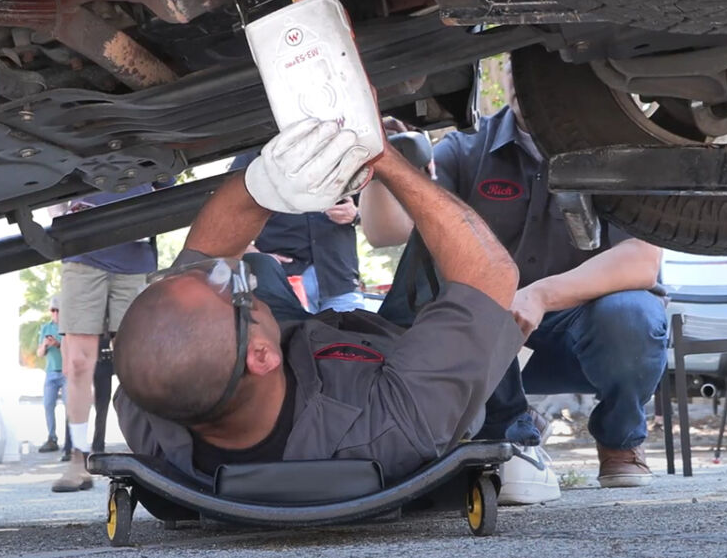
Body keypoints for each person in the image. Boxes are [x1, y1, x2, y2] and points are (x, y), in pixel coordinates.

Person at [111, 118, 523, 484]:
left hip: (295, 356)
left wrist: (269, 177)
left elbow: (206, 254)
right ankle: (518, 428)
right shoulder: (394, 422)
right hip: (397, 359)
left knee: (259, 265)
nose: (230, 274)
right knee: (455, 251)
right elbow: (490, 275)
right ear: (261, 355)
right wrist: (382, 155)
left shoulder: (150, 394)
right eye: (233, 291)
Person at [360, 72, 667, 497]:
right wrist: (382, 164)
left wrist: (539, 295)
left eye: (549, 63)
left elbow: (642, 261)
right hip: (487, 342)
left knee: (634, 314)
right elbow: (387, 233)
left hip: (583, 337)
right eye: (519, 63)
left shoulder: (620, 149)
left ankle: (620, 441)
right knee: (446, 277)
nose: (529, 76)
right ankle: (511, 434)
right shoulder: (468, 148)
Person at [52, 186, 162, 492]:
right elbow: (51, 186)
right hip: (83, 253)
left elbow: (167, 184)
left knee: (135, 362)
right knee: (76, 363)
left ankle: (154, 452)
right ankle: (78, 457)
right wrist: (61, 215)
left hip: (134, 257)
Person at [231, 154, 365, 314]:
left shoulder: (344, 148)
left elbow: (376, 214)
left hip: (340, 279)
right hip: (283, 283)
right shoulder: (253, 155)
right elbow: (227, 216)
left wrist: (356, 214)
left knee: (350, 337)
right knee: (290, 338)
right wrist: (258, 257)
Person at [36, 296, 70, 455]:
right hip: (50, 373)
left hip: (66, 373)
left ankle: (70, 441)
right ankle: (52, 437)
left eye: (58, 310)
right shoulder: (45, 328)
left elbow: (71, 349)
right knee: (48, 405)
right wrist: (45, 345)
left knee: (69, 407)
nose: (55, 313)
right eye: (53, 310)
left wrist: (58, 344)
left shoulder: (68, 327)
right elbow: (40, 353)